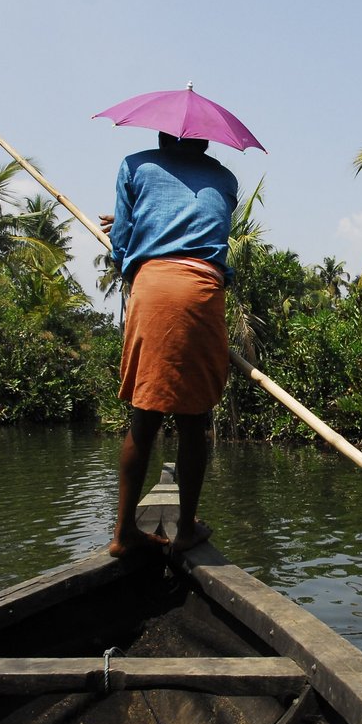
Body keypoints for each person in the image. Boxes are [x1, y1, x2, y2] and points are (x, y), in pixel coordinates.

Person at [101, 132, 238, 559]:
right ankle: (186, 530)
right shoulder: (226, 179)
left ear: (161, 134)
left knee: (144, 416)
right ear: (207, 140)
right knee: (195, 420)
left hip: (151, 286)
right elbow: (206, 237)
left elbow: (122, 245)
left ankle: (124, 534)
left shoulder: (134, 165)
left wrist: (128, 244)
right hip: (200, 289)